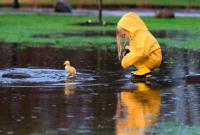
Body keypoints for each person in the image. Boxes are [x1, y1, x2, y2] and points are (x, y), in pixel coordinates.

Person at [116, 12, 162, 77]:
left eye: (125, 33)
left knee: (134, 55)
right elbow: (135, 47)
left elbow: (141, 53)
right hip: (150, 56)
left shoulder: (142, 35)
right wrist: (128, 50)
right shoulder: (136, 35)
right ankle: (144, 70)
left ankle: (145, 71)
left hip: (153, 58)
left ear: (129, 27)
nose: (125, 36)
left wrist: (126, 61)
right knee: (132, 54)